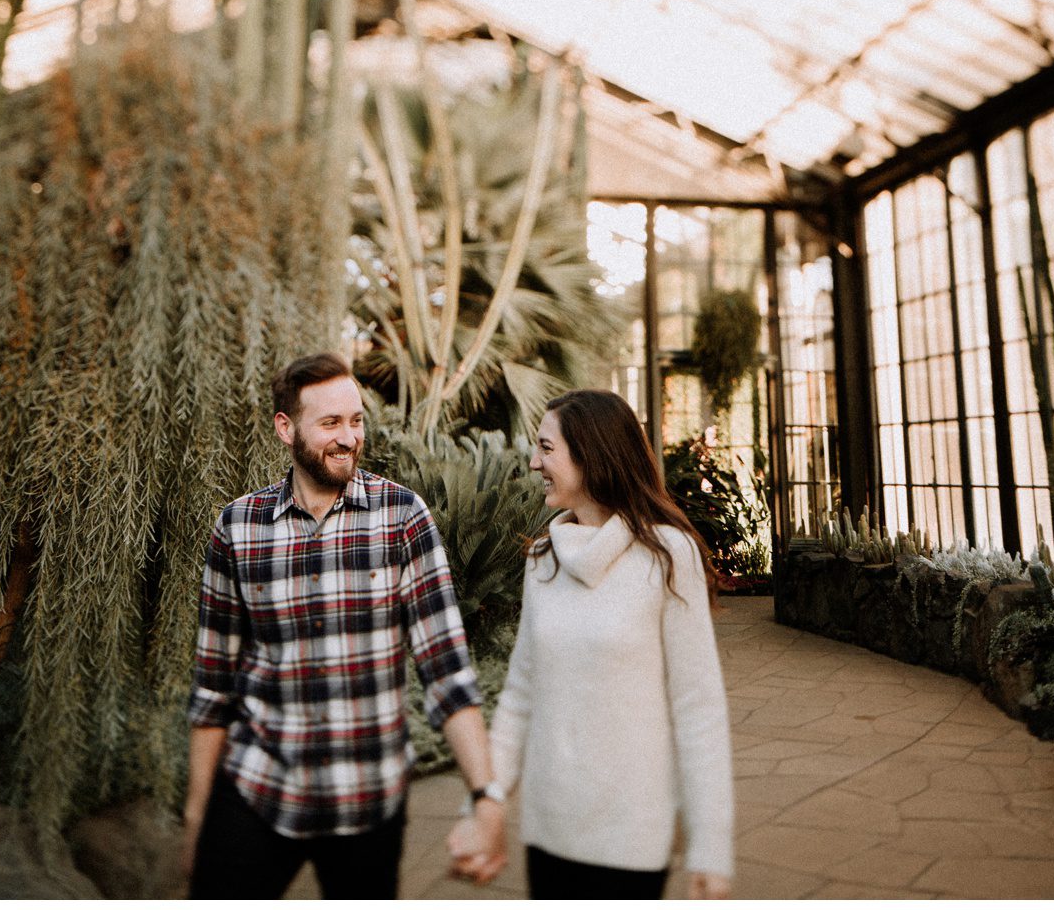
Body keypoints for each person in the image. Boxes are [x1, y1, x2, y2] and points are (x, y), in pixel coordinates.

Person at [181, 352, 508, 898]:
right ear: (286, 428)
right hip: (259, 788)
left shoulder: (403, 518)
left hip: (368, 799)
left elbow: (447, 671)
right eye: (330, 423)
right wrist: (196, 818)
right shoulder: (239, 526)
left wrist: (485, 796)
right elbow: (214, 685)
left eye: (355, 420)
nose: (348, 437)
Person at [449, 388, 735, 899]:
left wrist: (710, 846)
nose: (534, 462)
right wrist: (485, 806)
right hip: (550, 831)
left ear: (592, 454)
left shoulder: (669, 555)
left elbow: (699, 707)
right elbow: (520, 695)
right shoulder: (543, 558)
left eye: (547, 448)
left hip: (631, 836)